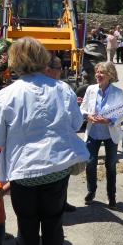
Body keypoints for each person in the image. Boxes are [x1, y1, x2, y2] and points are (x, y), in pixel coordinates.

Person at [0, 37, 89, 245]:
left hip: (24, 173)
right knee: (53, 225)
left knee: (27, 227)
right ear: (42, 58)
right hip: (56, 168)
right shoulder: (62, 89)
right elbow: (75, 123)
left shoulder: (7, 94)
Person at [80, 61, 123, 209]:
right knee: (90, 164)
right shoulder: (90, 90)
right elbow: (82, 108)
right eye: (97, 72)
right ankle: (91, 192)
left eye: (102, 72)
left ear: (110, 75)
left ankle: (111, 195)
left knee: (111, 166)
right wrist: (87, 116)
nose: (98, 75)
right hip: (93, 133)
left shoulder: (117, 92)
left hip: (110, 135)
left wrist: (109, 120)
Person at [45, 55, 76, 213]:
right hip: (58, 143)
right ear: (48, 70)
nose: (61, 72)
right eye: (59, 69)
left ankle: (62, 202)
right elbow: (76, 123)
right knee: (58, 178)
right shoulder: (63, 88)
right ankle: (57, 206)